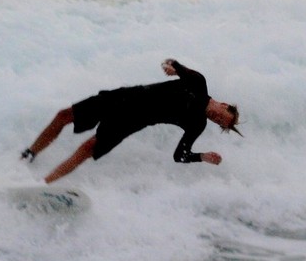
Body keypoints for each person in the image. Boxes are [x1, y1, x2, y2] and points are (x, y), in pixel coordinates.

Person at [21, 59, 242, 184]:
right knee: (64, 115)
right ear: (222, 104)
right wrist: (172, 68)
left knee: (88, 147)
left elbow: (180, 155)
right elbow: (177, 65)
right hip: (125, 97)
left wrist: (202, 157)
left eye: (220, 123)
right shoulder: (198, 82)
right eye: (222, 115)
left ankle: (44, 184)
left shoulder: (197, 124)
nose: (217, 118)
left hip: (133, 120)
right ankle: (30, 153)